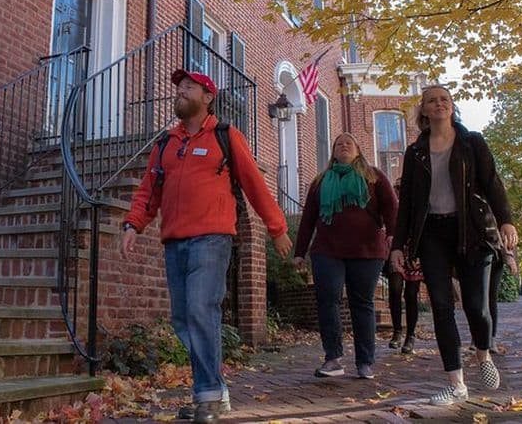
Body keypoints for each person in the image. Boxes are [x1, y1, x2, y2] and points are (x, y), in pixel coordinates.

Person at [121, 70, 292, 423]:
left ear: (208, 96)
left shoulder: (226, 136)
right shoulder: (165, 143)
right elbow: (148, 192)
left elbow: (254, 185)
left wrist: (277, 228)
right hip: (174, 242)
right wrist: (133, 224)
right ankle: (215, 389)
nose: (180, 91)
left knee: (201, 309)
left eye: (188, 87)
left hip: (212, 239)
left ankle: (208, 397)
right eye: (178, 88)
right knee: (183, 319)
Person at [389, 85, 518, 406]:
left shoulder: (472, 142)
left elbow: (492, 182)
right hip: (432, 233)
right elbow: (406, 203)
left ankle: (483, 353)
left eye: (444, 99)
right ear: (424, 110)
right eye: (432, 100)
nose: (439, 103)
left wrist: (506, 220)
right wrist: (397, 243)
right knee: (441, 306)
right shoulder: (415, 152)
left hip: (473, 230)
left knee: (476, 306)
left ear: (452, 106)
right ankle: (456, 383)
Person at [292, 133, 397, 380]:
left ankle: (365, 362)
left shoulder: (373, 176)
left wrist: (394, 235)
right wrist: (299, 252)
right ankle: (333, 358)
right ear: (333, 152)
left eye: (349, 143)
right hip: (327, 249)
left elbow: (391, 207)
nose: (344, 146)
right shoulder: (320, 181)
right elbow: (308, 219)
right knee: (328, 301)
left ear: (358, 150)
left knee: (363, 303)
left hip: (367, 250)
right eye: (339, 144)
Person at [385, 177, 423, 355]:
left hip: (415, 252)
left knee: (411, 293)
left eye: (402, 188)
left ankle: (411, 335)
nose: (399, 191)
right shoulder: (393, 206)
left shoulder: (419, 207)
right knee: (394, 288)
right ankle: (397, 331)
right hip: (397, 250)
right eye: (397, 188)